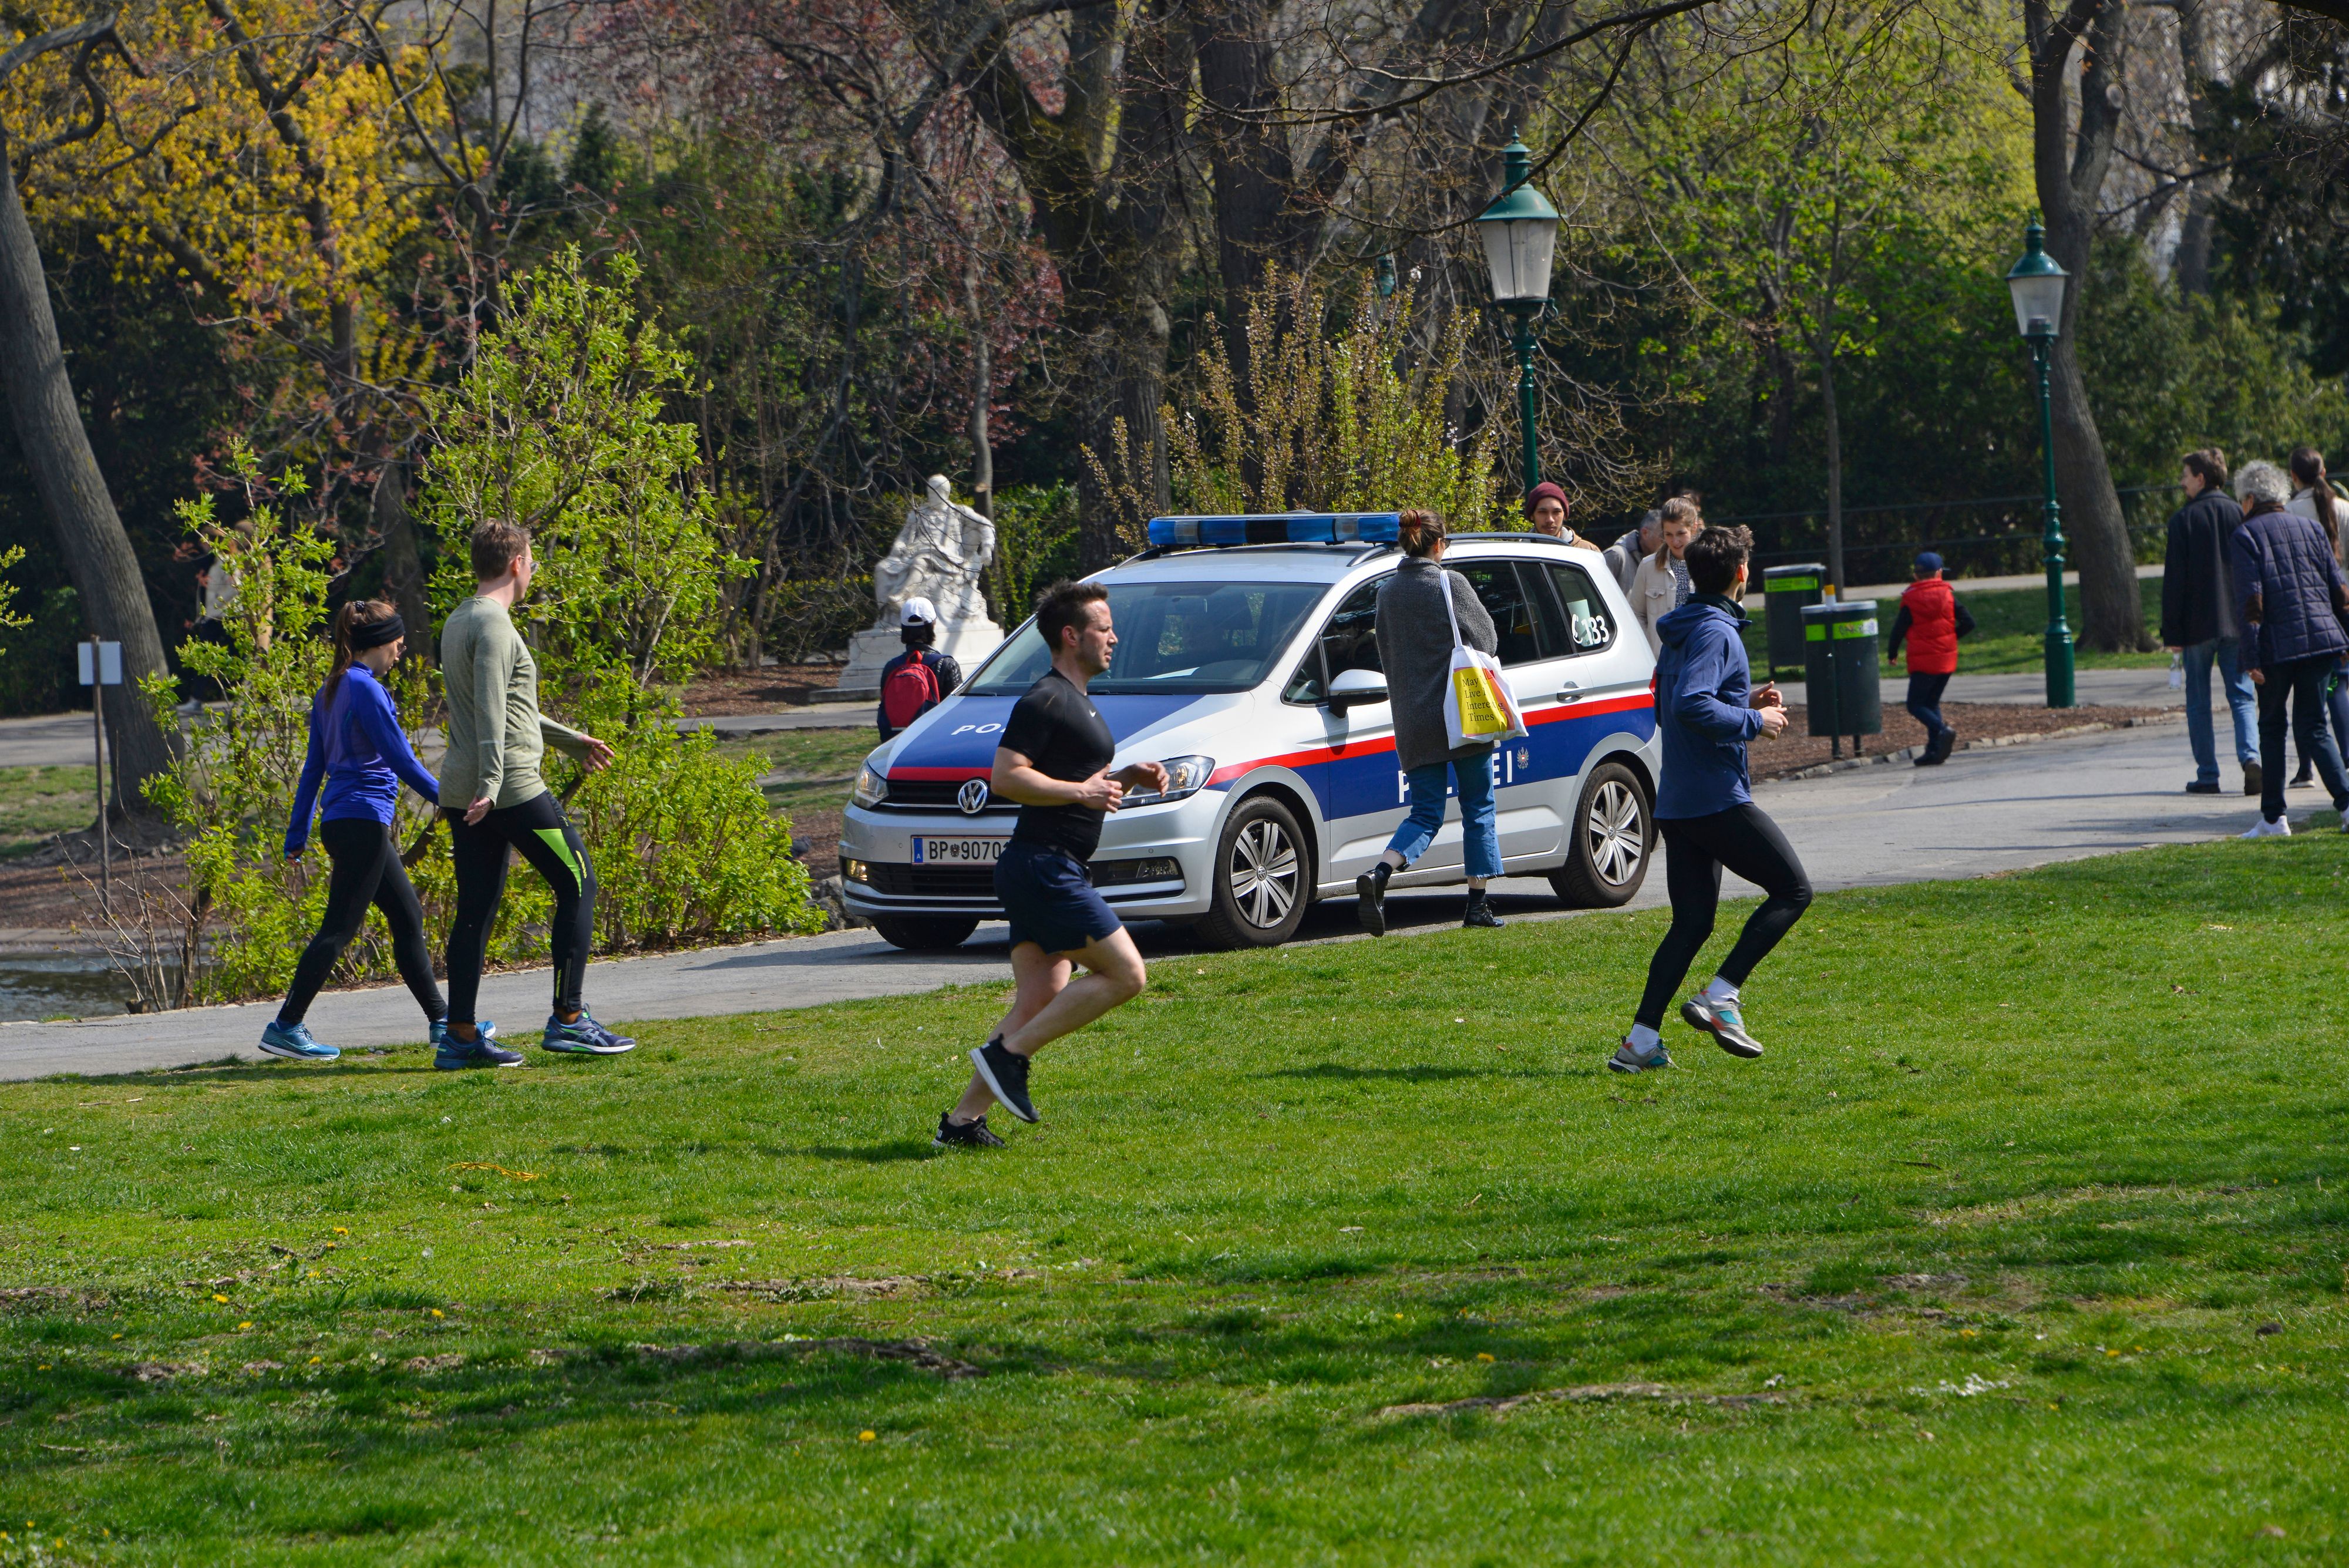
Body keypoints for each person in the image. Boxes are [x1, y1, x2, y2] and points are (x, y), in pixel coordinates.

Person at [935, 581, 1169, 1149]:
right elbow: (1007, 776)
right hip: (1044, 867)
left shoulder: (1076, 699)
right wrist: (1080, 792)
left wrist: (1122, 780)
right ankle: (1009, 1055)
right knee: (1126, 974)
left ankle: (961, 1124)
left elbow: (1081, 788)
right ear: (1071, 635)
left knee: (1040, 998)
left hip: (1040, 865)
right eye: (1103, 627)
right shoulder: (1045, 698)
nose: (1114, 636)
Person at [1612, 524, 1810, 1073]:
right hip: (1714, 799)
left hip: (1677, 801)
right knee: (1793, 891)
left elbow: (1674, 699)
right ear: (1742, 574)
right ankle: (1721, 997)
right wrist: (1754, 719)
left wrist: (1742, 696)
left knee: (1693, 922)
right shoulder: (1717, 634)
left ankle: (1640, 1043)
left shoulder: (1683, 629)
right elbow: (1691, 707)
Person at [436, 520, 630, 1067]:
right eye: (532, 560)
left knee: (474, 910)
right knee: (580, 882)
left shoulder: (459, 620)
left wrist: (570, 741)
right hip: (509, 788)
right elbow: (493, 716)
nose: (534, 570)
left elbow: (501, 705)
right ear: (517, 563)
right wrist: (494, 787)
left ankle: (461, 1037)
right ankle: (569, 1019)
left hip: (463, 791)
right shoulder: (497, 627)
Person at [260, 602, 446, 1061]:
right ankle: (285, 1026)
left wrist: (297, 833)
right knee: (339, 929)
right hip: (363, 820)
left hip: (343, 821)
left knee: (407, 918)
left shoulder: (332, 688)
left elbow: (313, 770)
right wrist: (450, 799)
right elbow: (401, 759)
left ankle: (445, 1023)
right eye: (398, 646)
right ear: (380, 643)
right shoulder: (366, 690)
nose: (400, 655)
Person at [1354, 509, 1508, 937]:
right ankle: (1477, 904)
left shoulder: (1386, 592)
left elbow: (1384, 651)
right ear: (1439, 545)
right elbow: (1488, 639)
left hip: (1412, 719)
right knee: (1478, 805)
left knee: (1424, 813)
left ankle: (1382, 871)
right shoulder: (1449, 583)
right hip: (1461, 713)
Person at [2229, 459, 2349, 838]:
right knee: (2314, 727)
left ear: (2249, 501)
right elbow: (2338, 590)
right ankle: (2346, 806)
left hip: (2276, 646)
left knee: (2272, 726)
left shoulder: (2246, 535)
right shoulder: (2312, 529)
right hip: (2321, 640)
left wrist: (2250, 657)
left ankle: (2274, 818)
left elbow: (2252, 601)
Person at [2162, 448, 2259, 797]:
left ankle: (2208, 774)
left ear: (2201, 478)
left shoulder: (2182, 521)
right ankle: (2251, 758)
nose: (2183, 482)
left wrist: (2171, 632)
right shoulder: (2239, 514)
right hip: (2236, 621)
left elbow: (2174, 582)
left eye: (2186, 475)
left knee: (2198, 700)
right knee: (2243, 696)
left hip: (2196, 625)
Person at [2285, 445, 2349, 787]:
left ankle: (2306, 768)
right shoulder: (2345, 509)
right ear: (2323, 473)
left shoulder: (2290, 513)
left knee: (2310, 689)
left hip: (2308, 608)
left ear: (2294, 477)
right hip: (2343, 606)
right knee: (2338, 683)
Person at [1884, 551, 1975, 767]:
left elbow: (1899, 630)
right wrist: (1952, 638)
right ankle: (1935, 751)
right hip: (1946, 659)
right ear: (1939, 573)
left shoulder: (1911, 599)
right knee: (1931, 703)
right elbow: (1969, 622)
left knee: (1915, 705)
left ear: (1916, 576)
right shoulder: (1948, 595)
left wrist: (1892, 653)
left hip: (1924, 662)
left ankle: (1943, 731)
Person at [876, 595, 963, 741]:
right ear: (933, 625)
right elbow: (957, 712)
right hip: (934, 740)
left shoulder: (892, 667)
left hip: (898, 742)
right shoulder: (947, 665)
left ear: (904, 628)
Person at [1630, 496, 1703, 654]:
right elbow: (1636, 613)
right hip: (1662, 661)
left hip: (1699, 655)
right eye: (1668, 534)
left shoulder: (1709, 565)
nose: (1675, 541)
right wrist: (1648, 648)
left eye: (1681, 533)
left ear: (1694, 528)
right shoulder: (1648, 566)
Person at [1525, 482, 1601, 553]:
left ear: (1564, 515)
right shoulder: (1517, 550)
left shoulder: (1588, 551)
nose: (1550, 520)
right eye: (1543, 512)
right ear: (1532, 515)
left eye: (1556, 512)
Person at [1603, 509, 1661, 595]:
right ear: (1645, 533)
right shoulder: (1617, 556)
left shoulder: (1661, 563)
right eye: (1663, 535)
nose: (1667, 541)